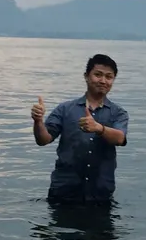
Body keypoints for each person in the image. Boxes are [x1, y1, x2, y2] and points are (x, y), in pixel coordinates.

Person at [30, 54, 129, 204]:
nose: (103, 81)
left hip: (100, 192)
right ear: (86, 77)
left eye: (109, 77)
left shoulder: (118, 113)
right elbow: (43, 139)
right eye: (98, 75)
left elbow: (120, 138)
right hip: (64, 191)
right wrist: (38, 122)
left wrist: (99, 128)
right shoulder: (65, 109)